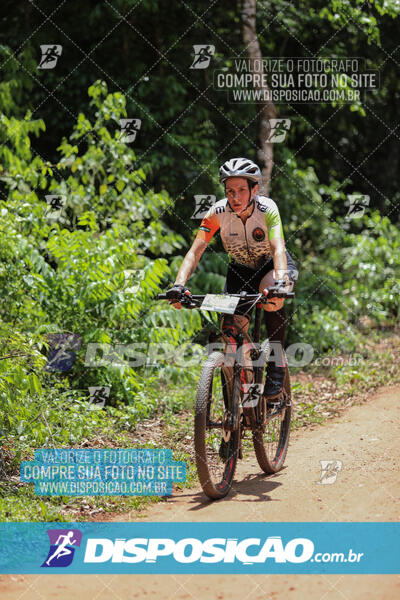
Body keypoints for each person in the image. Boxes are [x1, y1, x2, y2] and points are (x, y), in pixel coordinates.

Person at [166, 157, 298, 399]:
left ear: (254, 189)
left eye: (241, 190)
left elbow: (278, 247)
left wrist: (281, 282)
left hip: (273, 265)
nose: (234, 197)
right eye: (230, 191)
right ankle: (234, 415)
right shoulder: (217, 212)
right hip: (240, 271)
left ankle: (277, 365)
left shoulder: (268, 209)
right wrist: (178, 285)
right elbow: (195, 251)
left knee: (272, 297)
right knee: (230, 336)